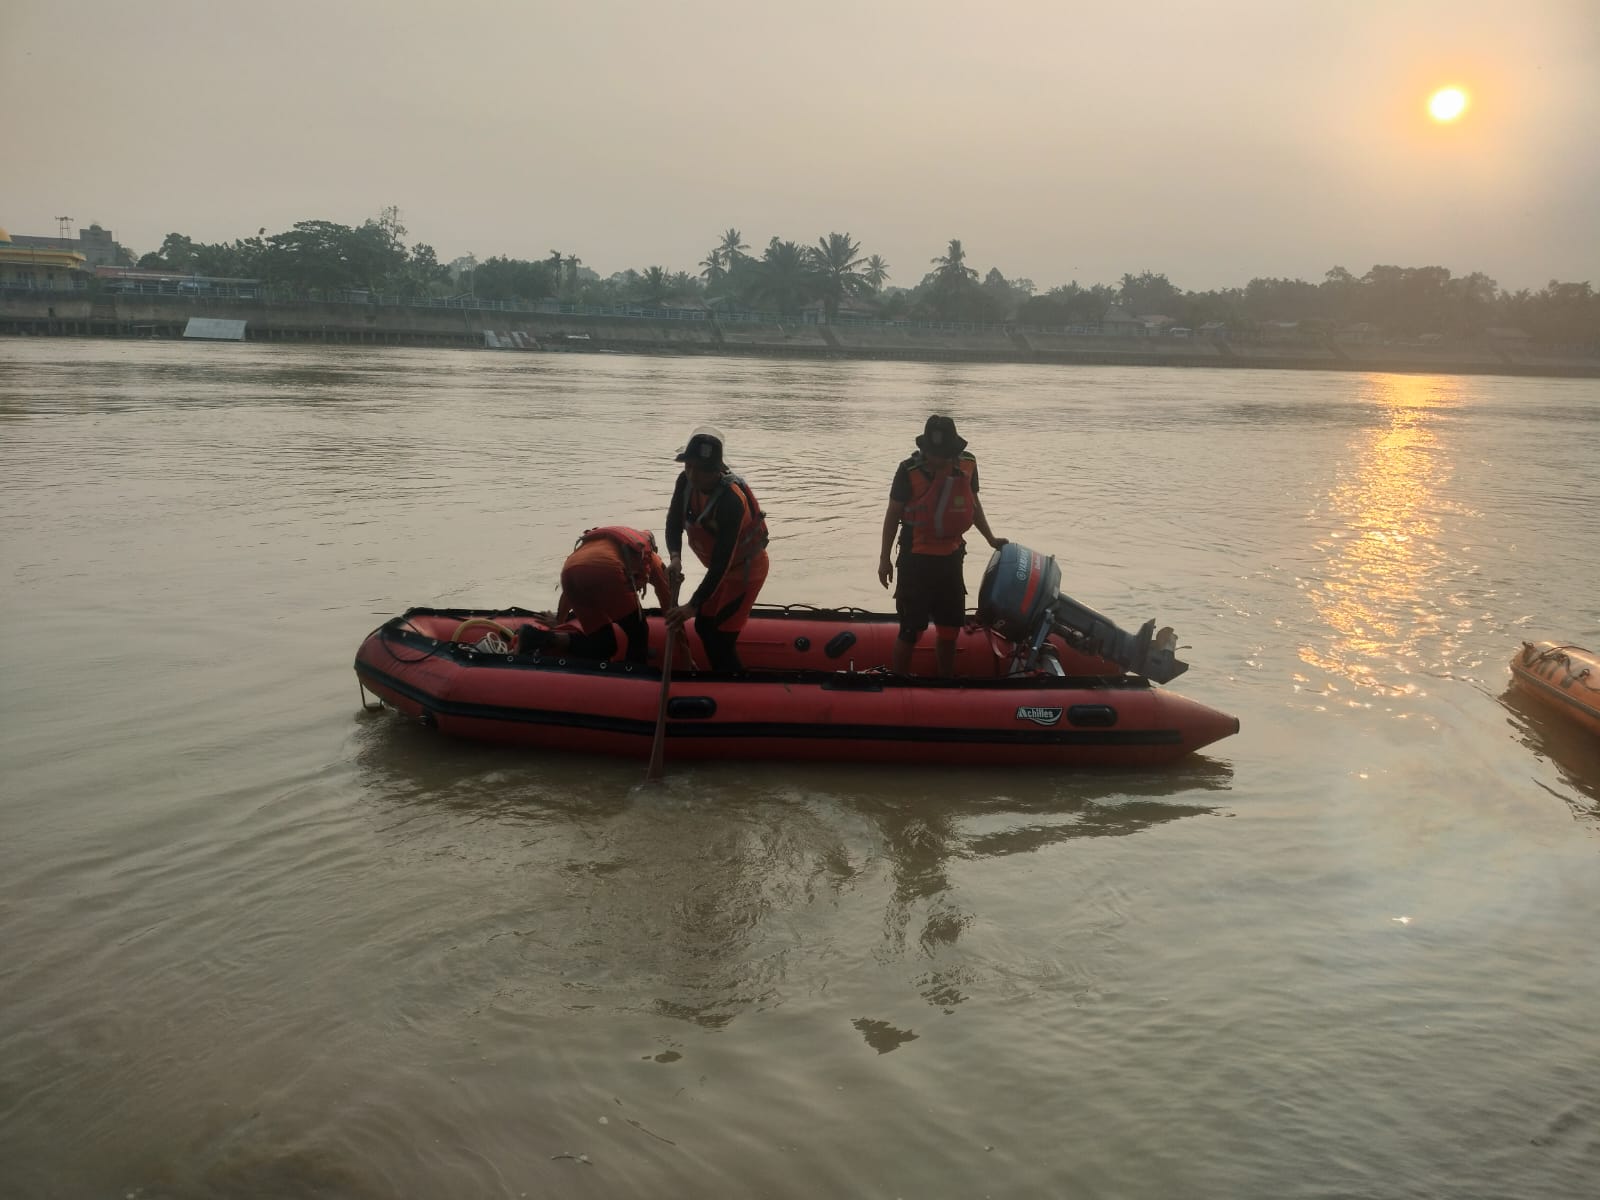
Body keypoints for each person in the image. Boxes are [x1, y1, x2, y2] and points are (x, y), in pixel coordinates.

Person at [877, 414, 1007, 678]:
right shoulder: (908, 471)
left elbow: (973, 505)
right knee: (911, 629)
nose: (938, 459)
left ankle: (945, 682)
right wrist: (884, 559)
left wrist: (990, 539)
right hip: (916, 560)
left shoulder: (968, 465)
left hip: (951, 559)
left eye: (943, 454)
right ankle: (899, 685)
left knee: (949, 628)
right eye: (933, 453)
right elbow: (892, 515)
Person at [664, 425, 770, 673]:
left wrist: (691, 605)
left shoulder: (731, 502)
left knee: (721, 637)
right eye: (688, 466)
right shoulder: (685, 481)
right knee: (703, 626)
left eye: (701, 470)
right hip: (721, 571)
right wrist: (675, 557)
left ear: (717, 471)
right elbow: (673, 522)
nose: (692, 474)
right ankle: (722, 680)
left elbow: (722, 560)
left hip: (744, 572)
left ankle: (736, 690)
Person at [517, 526, 676, 665]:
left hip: (569, 572)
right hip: (606, 572)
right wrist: (685, 651)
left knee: (604, 644)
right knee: (639, 632)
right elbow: (668, 604)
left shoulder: (603, 543)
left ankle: (535, 637)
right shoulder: (650, 558)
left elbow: (570, 589)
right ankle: (634, 673)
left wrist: (559, 621)